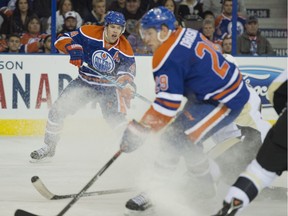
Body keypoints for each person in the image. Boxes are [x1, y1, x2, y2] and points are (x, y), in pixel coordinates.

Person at [117, 6, 252, 214]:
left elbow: (167, 105)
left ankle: (154, 192)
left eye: (149, 33)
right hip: (212, 92)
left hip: (224, 100)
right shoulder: (186, 33)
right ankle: (205, 184)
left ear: (164, 30)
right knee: (184, 137)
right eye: (143, 33)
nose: (145, 39)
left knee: (173, 139)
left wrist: (140, 129)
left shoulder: (165, 55)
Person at [30, 11, 136, 161]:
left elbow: (127, 71)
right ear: (105, 26)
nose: (115, 31)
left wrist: (126, 83)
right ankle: (49, 146)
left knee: (116, 118)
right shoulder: (89, 32)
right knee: (57, 110)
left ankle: (131, 147)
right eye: (112, 27)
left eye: (119, 28)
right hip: (84, 82)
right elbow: (61, 40)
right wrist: (73, 49)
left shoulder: (125, 48)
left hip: (108, 88)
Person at [213, 71, 287, 216]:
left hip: (251, 137)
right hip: (256, 136)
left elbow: (276, 91)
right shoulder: (245, 89)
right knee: (238, 176)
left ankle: (226, 209)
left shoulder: (219, 91)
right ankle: (274, 193)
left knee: (255, 174)